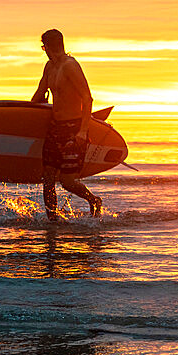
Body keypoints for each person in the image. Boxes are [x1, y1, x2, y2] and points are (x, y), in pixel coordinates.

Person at [31, 29, 102, 219]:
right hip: (55, 127)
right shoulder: (49, 67)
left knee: (67, 181)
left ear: (48, 47)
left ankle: (94, 200)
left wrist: (83, 131)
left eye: (43, 47)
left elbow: (87, 99)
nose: (43, 50)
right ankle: (52, 221)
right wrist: (24, 114)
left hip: (73, 129)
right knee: (47, 178)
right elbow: (40, 92)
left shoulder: (71, 66)